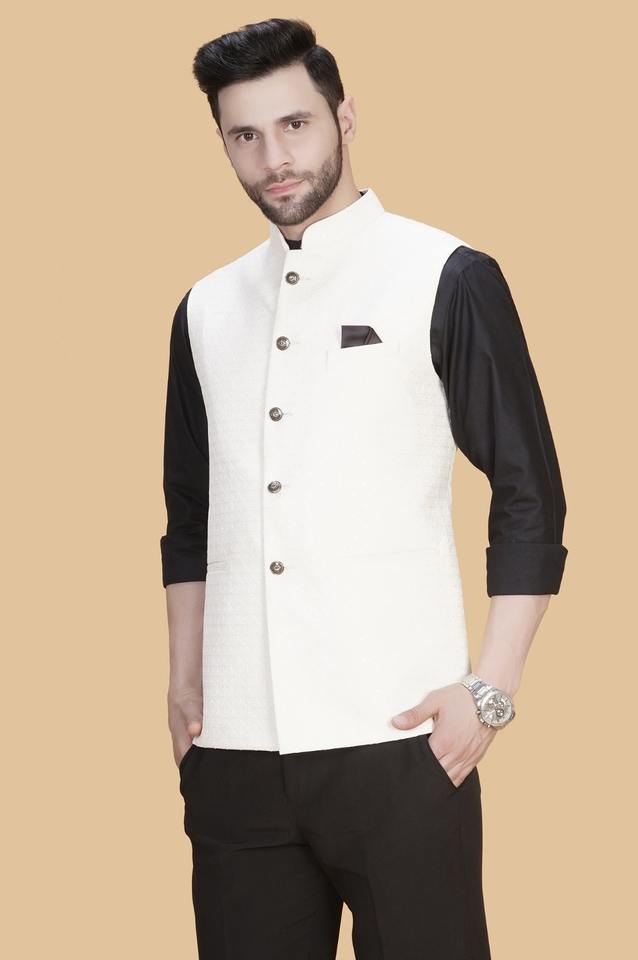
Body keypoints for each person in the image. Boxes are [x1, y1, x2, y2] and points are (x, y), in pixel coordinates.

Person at [160, 17, 568, 960]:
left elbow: (530, 494)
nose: (274, 158)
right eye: (245, 135)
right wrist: (183, 685)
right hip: (235, 755)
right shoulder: (205, 309)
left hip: (404, 740)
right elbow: (191, 516)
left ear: (345, 117)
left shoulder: (445, 275)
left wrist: (491, 690)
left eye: (295, 124)